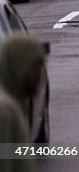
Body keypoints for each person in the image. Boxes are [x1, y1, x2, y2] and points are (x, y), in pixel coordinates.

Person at [0, 33, 46, 170]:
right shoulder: (5, 110)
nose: (40, 75)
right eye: (34, 67)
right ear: (18, 65)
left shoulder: (12, 105)